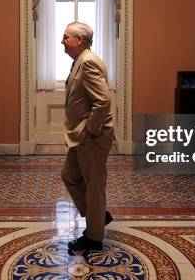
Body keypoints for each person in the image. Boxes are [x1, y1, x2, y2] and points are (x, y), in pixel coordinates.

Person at [60, 22, 115, 252]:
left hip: (91, 136)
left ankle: (94, 238)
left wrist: (90, 130)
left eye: (66, 37)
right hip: (81, 136)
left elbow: (103, 101)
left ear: (79, 40)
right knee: (69, 175)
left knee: (94, 187)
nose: (62, 41)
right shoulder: (80, 60)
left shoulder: (89, 61)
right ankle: (98, 216)